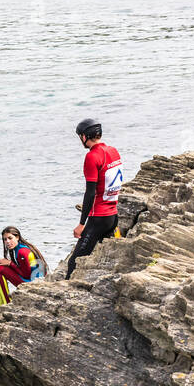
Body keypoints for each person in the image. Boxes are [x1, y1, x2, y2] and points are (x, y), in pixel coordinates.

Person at [65, 119, 124, 279]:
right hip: (113, 217)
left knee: (74, 263)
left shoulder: (92, 156)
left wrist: (81, 224)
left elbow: (90, 192)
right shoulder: (113, 151)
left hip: (98, 218)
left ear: (84, 136)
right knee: (107, 261)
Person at [0, 227, 47, 306]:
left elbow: (26, 275)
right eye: (5, 239)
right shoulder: (21, 247)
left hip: (34, 284)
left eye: (10, 238)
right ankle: (4, 302)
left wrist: (10, 263)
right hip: (36, 281)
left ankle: (5, 303)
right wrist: (9, 264)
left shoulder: (22, 252)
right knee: (1, 268)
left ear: (17, 237)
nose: (7, 242)